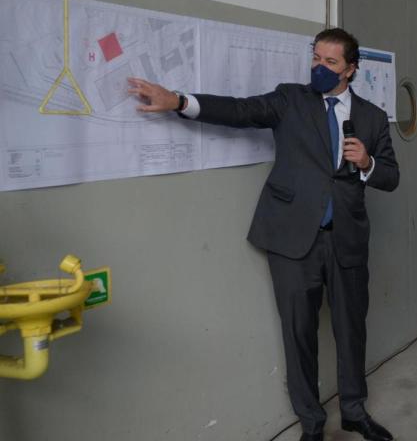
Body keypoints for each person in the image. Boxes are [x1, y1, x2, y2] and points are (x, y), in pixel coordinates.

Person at [127, 28, 398, 441]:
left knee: (351, 330)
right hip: (292, 240)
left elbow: (391, 178)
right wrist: (180, 101)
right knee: (298, 333)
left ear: (350, 69)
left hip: (346, 241)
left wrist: (367, 163)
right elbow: (240, 111)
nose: (319, 68)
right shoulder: (291, 100)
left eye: (330, 62)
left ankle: (355, 411)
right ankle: (311, 423)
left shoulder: (374, 118)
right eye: (315, 59)